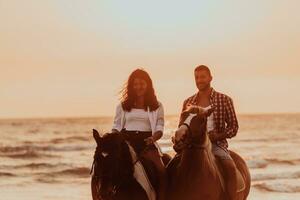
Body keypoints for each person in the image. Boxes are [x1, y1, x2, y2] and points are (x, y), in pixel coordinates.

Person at [178, 65, 239, 200]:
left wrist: (218, 136)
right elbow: (182, 126)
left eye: (203, 77)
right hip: (191, 147)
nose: (199, 80)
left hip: (216, 145)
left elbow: (234, 127)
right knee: (171, 167)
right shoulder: (188, 102)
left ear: (210, 78)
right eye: (197, 77)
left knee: (230, 167)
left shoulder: (224, 99)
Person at [112, 68, 166, 200]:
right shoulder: (122, 106)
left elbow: (160, 127)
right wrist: (114, 139)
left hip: (147, 142)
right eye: (135, 84)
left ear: (148, 85)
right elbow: (116, 127)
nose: (138, 87)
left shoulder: (157, 106)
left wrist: (153, 138)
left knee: (162, 171)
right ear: (131, 86)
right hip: (126, 142)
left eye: (142, 84)